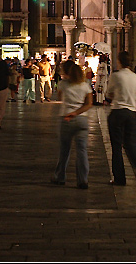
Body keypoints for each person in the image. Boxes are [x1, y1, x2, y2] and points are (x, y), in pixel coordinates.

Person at [105, 51, 136, 185]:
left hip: (118, 112)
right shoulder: (135, 76)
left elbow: (108, 93)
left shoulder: (116, 75)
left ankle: (119, 178)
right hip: (132, 113)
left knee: (116, 147)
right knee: (130, 143)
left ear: (119, 61)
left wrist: (113, 96)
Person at [51, 60, 93, 189]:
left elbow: (59, 97)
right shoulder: (86, 85)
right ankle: (82, 179)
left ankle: (60, 177)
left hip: (66, 118)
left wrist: (71, 112)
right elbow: (88, 104)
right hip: (82, 120)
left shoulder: (63, 84)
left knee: (65, 150)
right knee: (82, 150)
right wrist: (77, 112)